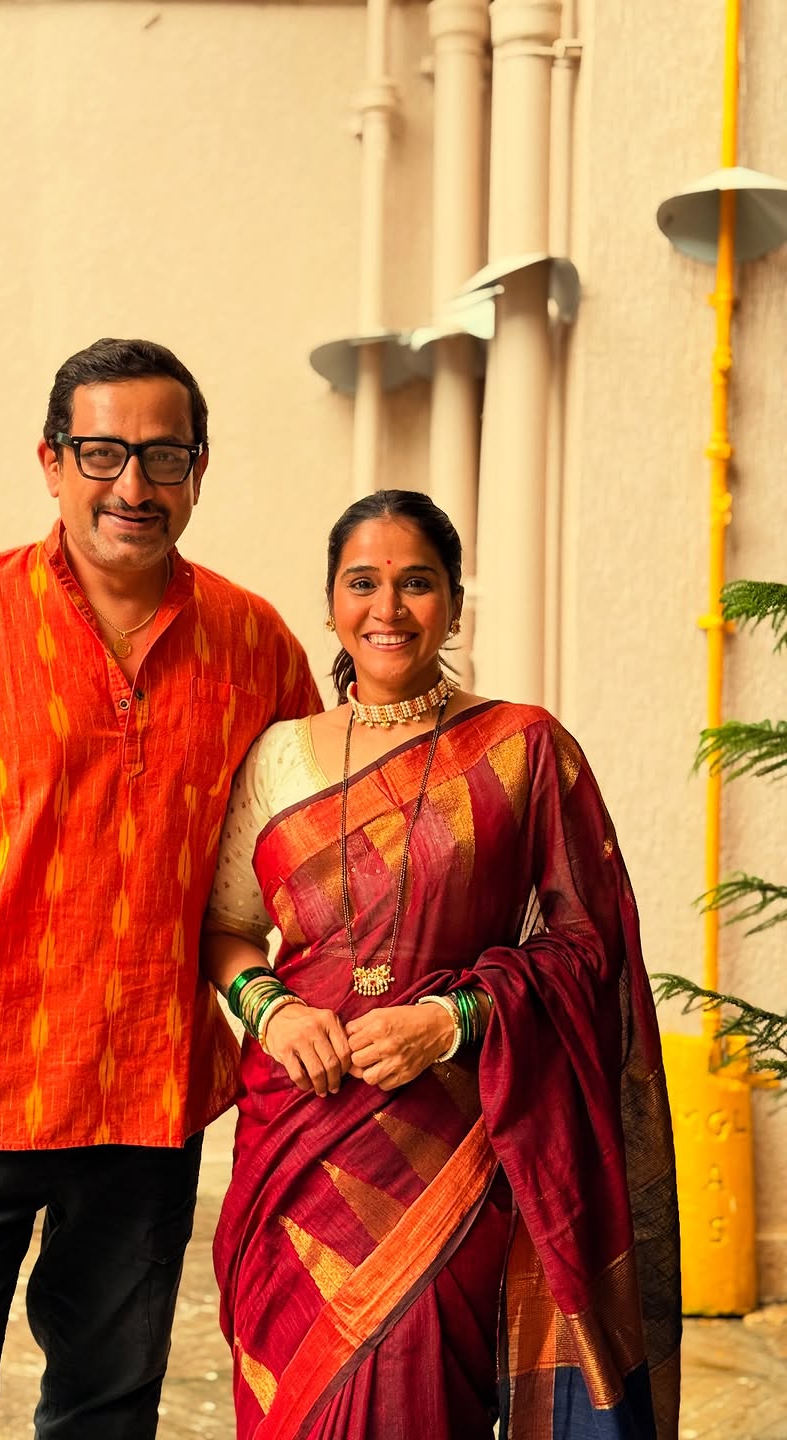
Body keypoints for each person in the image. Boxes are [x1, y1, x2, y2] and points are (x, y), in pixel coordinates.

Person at [0, 337, 321, 1440]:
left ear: (198, 469)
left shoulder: (256, 646)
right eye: (103, 452)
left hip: (147, 1097)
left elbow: (309, 842)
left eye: (163, 455)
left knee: (105, 1410)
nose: (133, 485)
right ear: (51, 462)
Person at [203, 489, 681, 1439]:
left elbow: (589, 942)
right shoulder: (279, 757)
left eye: (417, 583)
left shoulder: (524, 748)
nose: (389, 608)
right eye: (364, 583)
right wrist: (274, 1012)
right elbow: (227, 929)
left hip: (458, 1135)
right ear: (332, 602)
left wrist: (453, 1019)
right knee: (293, 1396)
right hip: (300, 1130)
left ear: (455, 603)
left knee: (421, 1385)